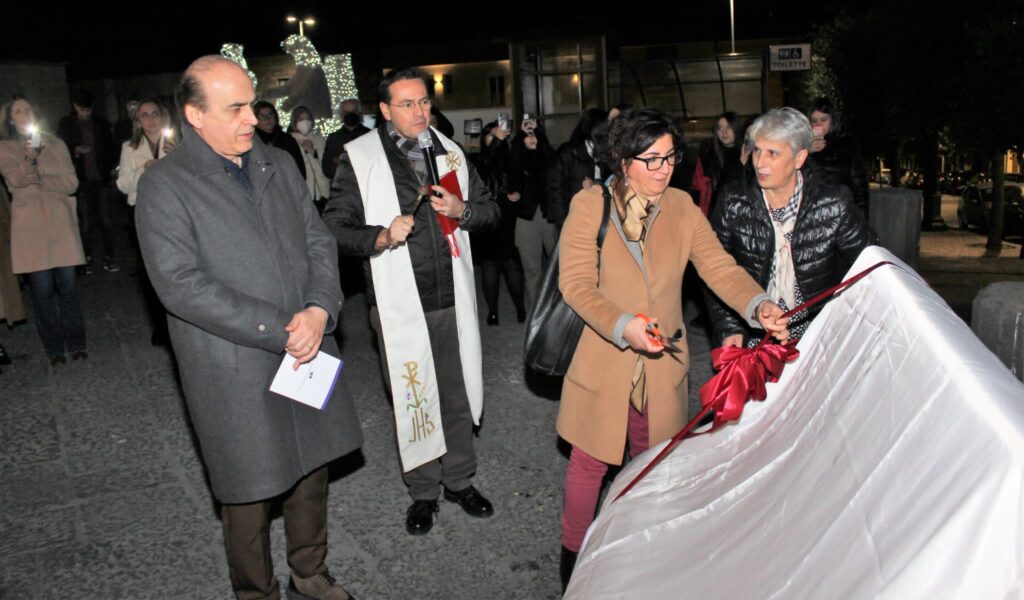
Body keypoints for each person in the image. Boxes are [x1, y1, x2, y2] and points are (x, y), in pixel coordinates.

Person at [134, 56, 363, 600]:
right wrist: (278, 329)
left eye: (251, 103)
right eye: (234, 107)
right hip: (232, 363)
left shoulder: (275, 163)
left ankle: (309, 573)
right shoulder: (165, 186)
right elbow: (180, 285)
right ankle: (254, 592)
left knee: (311, 470)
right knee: (247, 491)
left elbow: (317, 240)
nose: (252, 117)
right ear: (194, 115)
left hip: (305, 342)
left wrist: (319, 308)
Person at [556, 107, 789, 591]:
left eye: (670, 157)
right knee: (590, 463)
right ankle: (574, 560)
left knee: (653, 466)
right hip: (606, 357)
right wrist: (623, 325)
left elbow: (719, 268)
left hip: (662, 364)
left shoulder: (681, 206)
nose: (664, 169)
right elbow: (575, 285)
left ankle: (641, 557)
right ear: (623, 160)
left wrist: (759, 304)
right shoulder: (590, 206)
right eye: (651, 159)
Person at [323, 68, 499, 536]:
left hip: (451, 298)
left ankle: (460, 479)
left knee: (456, 393)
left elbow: (490, 211)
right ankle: (423, 491)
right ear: (383, 110)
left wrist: (463, 211)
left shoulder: (451, 152)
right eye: (407, 104)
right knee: (413, 394)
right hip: (399, 301)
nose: (420, 112)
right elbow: (333, 228)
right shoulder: (358, 159)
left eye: (423, 102)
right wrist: (379, 236)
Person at [707, 107, 876, 348]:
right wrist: (729, 327)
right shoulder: (733, 201)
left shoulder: (832, 203)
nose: (760, 163)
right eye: (757, 150)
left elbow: (870, 263)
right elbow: (714, 269)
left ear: (799, 158)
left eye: (772, 153)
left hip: (817, 332)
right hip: (754, 328)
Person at [0, 95, 88, 366]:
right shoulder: (5, 147)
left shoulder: (56, 142)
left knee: (69, 288)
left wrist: (45, 180)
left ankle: (77, 343)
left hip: (60, 225)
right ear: (10, 118)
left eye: (28, 109)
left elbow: (71, 182)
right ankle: (53, 349)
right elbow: (17, 179)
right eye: (17, 110)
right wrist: (30, 156)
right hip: (31, 230)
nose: (23, 113)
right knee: (42, 291)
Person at [116, 98, 176, 346]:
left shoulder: (176, 144)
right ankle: (160, 326)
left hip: (173, 212)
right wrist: (144, 168)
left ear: (162, 117)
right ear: (138, 121)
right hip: (143, 211)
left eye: (155, 114)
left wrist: (176, 159)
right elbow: (123, 185)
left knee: (176, 269)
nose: (151, 119)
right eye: (145, 115)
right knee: (151, 271)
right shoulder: (129, 148)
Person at [57, 90, 120, 274]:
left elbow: (111, 148)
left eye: (88, 110)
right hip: (81, 179)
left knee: (106, 220)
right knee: (84, 223)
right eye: (82, 110)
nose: (85, 113)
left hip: (99, 178)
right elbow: (61, 150)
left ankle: (109, 257)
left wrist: (108, 167)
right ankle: (86, 258)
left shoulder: (100, 124)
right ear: (75, 107)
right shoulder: (66, 124)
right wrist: (75, 151)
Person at [473, 120, 526, 325]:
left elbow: (517, 177)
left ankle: (520, 308)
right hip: (486, 215)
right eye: (490, 135)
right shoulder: (478, 160)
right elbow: (485, 170)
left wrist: (518, 192)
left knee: (510, 261)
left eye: (498, 135)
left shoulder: (508, 155)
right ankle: (493, 312)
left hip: (506, 215)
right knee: (489, 264)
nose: (495, 138)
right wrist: (497, 142)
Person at [508, 117, 557, 310]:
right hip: (526, 218)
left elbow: (554, 165)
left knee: (556, 269)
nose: (531, 139)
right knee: (532, 271)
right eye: (527, 136)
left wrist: (541, 138)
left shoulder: (546, 155)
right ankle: (537, 313)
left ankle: (556, 311)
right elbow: (512, 169)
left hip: (548, 216)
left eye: (534, 134)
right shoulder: (518, 156)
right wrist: (520, 135)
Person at [805, 97, 870, 218]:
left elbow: (860, 188)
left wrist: (862, 220)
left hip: (842, 214)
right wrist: (808, 154)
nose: (818, 125)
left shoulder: (847, 148)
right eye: (814, 121)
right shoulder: (803, 149)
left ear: (832, 121)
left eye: (823, 120)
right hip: (814, 215)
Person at [547, 108, 609, 228]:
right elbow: (555, 188)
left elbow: (610, 184)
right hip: (575, 219)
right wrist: (563, 223)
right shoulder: (570, 151)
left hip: (599, 218)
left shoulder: (606, 153)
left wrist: (596, 186)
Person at [691, 111, 745, 217]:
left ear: (736, 128)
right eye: (720, 128)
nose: (724, 132)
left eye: (728, 127)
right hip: (712, 212)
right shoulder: (707, 155)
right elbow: (696, 187)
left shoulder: (746, 154)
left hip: (738, 211)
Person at [288, 105, 331, 212]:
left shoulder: (319, 139)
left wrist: (314, 152)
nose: (305, 122)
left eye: (308, 119)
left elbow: (326, 161)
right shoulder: (290, 140)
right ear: (294, 122)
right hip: (304, 193)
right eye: (301, 119)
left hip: (323, 193)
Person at [253, 100, 306, 179]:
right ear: (255, 120)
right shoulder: (252, 142)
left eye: (270, 115)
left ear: (275, 117)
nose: (267, 119)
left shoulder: (288, 140)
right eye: (262, 116)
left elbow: (299, 170)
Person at [322, 99, 370, 180]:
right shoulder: (333, 138)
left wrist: (341, 162)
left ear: (360, 113)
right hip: (342, 190)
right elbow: (327, 170)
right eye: (346, 112)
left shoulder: (370, 135)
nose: (350, 115)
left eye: (354, 111)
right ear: (341, 115)